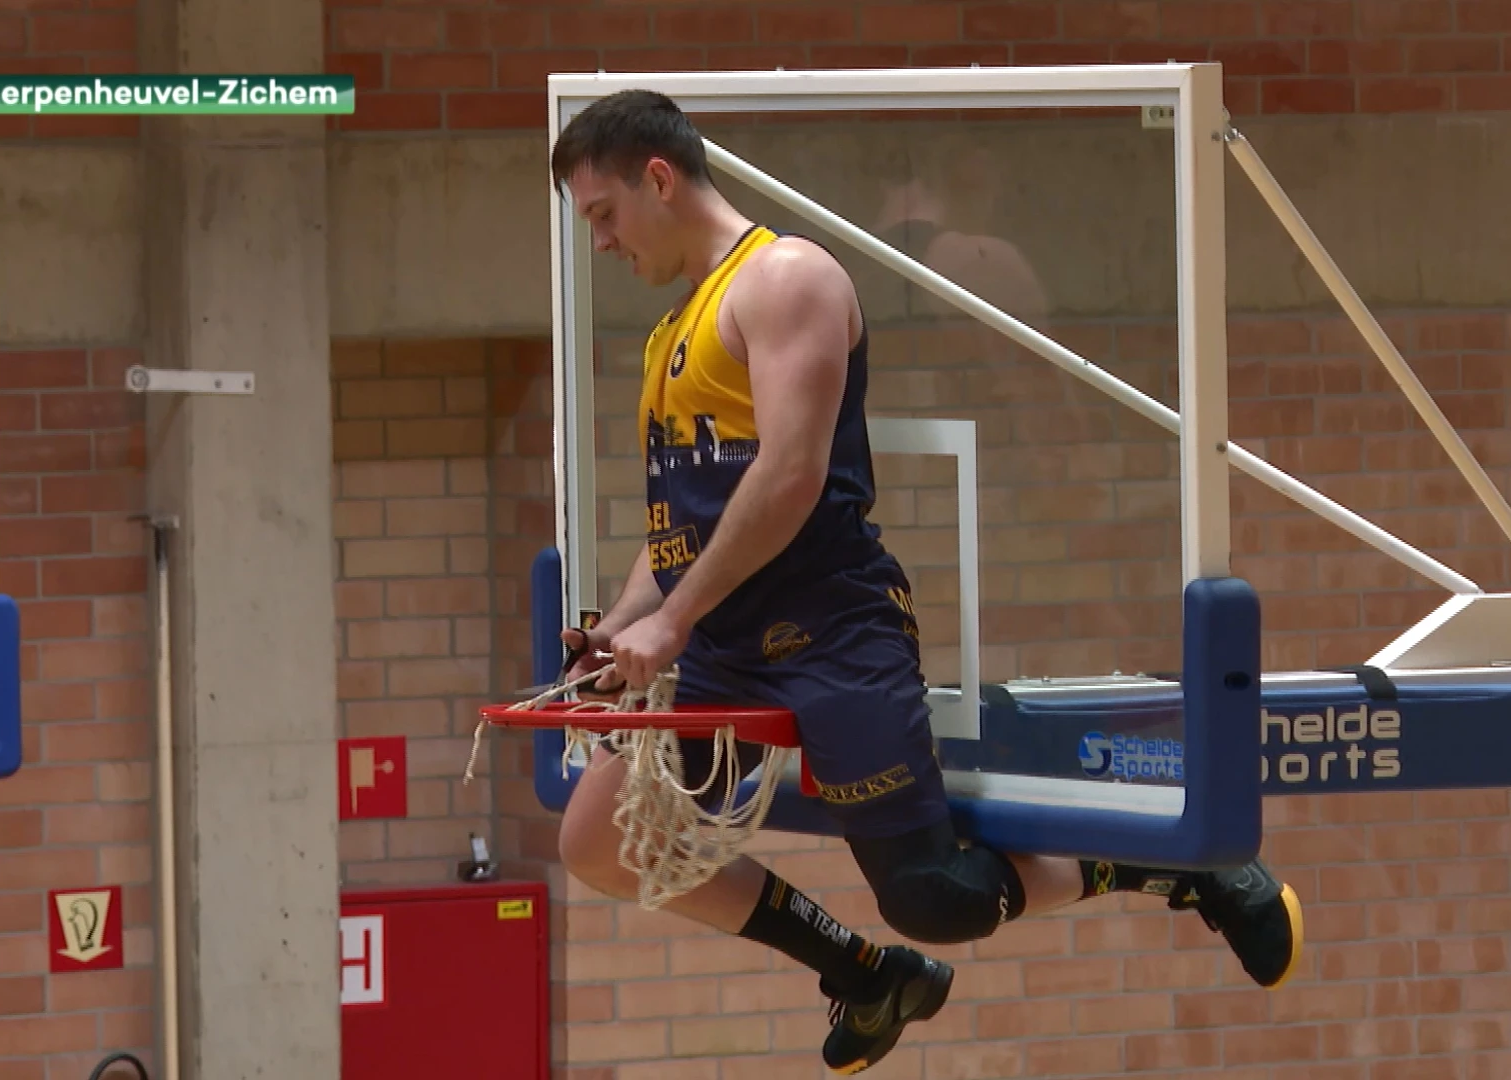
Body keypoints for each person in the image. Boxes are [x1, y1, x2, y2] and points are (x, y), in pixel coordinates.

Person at [547, 89, 1304, 1075]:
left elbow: (790, 475)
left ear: (657, 178)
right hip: (726, 643)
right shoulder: (670, 333)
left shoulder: (784, 279)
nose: (599, 241)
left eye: (602, 214)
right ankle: (865, 975)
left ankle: (1194, 869)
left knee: (937, 897)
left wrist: (675, 620)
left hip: (829, 634)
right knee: (600, 837)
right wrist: (626, 625)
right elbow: (684, 525)